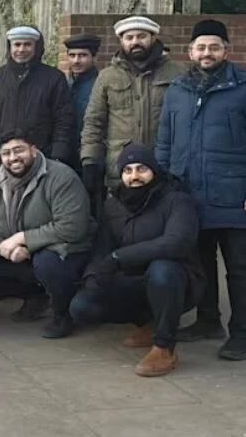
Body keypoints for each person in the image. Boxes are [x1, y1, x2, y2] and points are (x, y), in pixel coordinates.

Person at [68, 145, 203, 376]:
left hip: (176, 282)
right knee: (82, 307)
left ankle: (164, 347)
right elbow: (103, 249)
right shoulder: (113, 205)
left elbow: (176, 242)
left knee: (162, 269)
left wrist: (120, 257)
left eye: (142, 169)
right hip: (133, 280)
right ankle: (147, 323)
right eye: (127, 170)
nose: (134, 176)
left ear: (154, 171)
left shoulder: (177, 200)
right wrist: (92, 277)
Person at [157, 19, 246, 358]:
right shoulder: (178, 90)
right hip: (188, 194)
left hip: (234, 196)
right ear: (190, 51)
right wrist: (165, 188)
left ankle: (242, 332)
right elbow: (164, 141)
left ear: (226, 50)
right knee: (201, 263)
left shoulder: (242, 87)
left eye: (214, 47)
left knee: (239, 269)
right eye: (201, 47)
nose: (207, 53)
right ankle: (208, 320)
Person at [0, 131, 94, 337]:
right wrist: (2, 248)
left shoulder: (61, 176)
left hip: (61, 249)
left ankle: (63, 313)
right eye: (5, 153)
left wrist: (22, 239)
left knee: (47, 264)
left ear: (34, 149)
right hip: (16, 252)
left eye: (18, 150)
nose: (12, 158)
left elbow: (72, 227)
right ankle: (35, 296)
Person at [81, 17, 183, 193]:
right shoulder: (107, 77)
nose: (135, 42)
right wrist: (90, 160)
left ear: (153, 37)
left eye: (141, 36)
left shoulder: (178, 73)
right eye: (129, 38)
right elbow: (93, 122)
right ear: (121, 41)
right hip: (121, 171)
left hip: (164, 168)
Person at [0, 26, 75, 173]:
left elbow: (63, 120)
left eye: (27, 44)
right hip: (1, 160)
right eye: (17, 45)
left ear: (36, 47)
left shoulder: (53, 78)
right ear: (10, 47)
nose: (21, 50)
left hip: (42, 159)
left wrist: (59, 155)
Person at [62, 34, 101, 171]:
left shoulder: (100, 85)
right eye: (72, 56)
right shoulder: (63, 85)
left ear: (94, 57)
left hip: (91, 157)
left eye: (82, 55)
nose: (76, 61)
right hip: (66, 155)